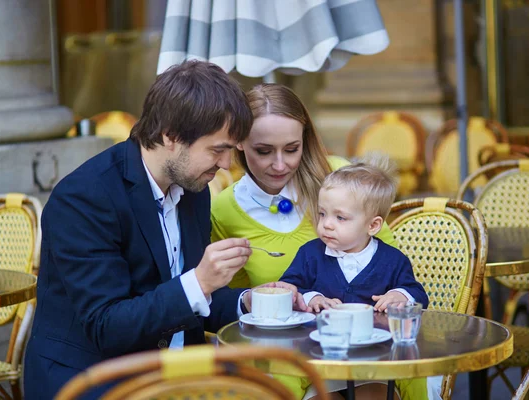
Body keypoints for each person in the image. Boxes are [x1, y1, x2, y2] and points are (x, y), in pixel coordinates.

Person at [23, 61, 304, 398]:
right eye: (218, 149)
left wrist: (252, 301)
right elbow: (107, 326)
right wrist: (199, 281)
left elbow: (189, 302)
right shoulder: (85, 197)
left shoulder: (193, 189)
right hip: (94, 380)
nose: (227, 164)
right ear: (170, 136)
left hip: (176, 375)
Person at [210, 84, 396, 398]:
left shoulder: (339, 178)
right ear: (239, 141)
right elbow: (229, 306)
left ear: (304, 140)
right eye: (264, 151)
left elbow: (388, 260)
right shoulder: (223, 210)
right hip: (285, 359)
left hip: (361, 345)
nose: (280, 164)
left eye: (292, 149)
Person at [280, 155, 429, 400]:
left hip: (377, 362)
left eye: (340, 218)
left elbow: (417, 294)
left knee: (394, 385)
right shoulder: (310, 254)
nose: (327, 224)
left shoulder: (392, 260)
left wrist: (399, 295)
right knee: (288, 375)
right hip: (320, 359)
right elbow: (290, 287)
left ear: (373, 225)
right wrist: (312, 297)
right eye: (322, 214)